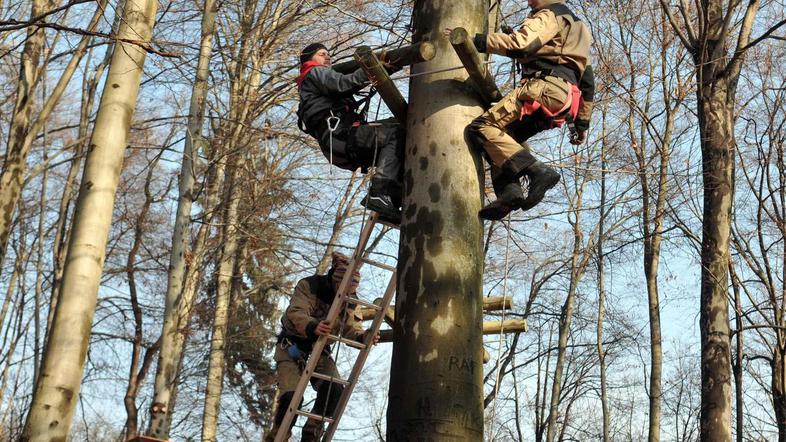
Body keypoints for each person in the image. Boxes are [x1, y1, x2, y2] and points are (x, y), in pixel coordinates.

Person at [460, 0, 595, 220]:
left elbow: (521, 44)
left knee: (481, 128)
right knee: (502, 140)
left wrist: (475, 41)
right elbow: (587, 82)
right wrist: (581, 124)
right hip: (563, 100)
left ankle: (538, 171)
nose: (529, 2)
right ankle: (510, 194)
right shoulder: (579, 30)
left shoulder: (551, 14)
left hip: (542, 88)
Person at [264, 253, 377, 442]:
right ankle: (279, 435)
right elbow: (296, 312)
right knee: (292, 397)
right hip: (292, 345)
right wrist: (312, 326)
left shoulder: (350, 300)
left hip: (320, 350)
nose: (346, 294)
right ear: (333, 280)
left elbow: (351, 329)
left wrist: (364, 336)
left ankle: (312, 431)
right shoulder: (309, 285)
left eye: (351, 290)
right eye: (342, 289)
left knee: (335, 389)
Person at [297, 43, 404, 222]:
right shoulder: (314, 72)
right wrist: (374, 69)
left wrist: (383, 72)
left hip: (339, 143)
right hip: (340, 137)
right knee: (396, 134)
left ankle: (390, 202)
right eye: (322, 54)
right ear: (309, 59)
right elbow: (343, 83)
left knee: (400, 149)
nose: (327, 57)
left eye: (328, 54)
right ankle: (380, 193)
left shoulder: (315, 83)